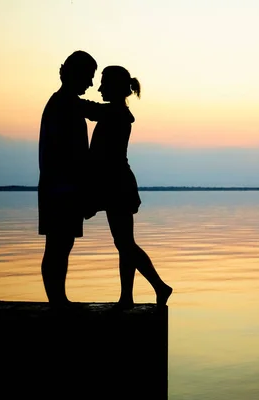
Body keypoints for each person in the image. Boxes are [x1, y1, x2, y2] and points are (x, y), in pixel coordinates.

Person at [86, 65, 172, 307]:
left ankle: (158, 287)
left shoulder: (117, 114)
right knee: (124, 243)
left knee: (125, 243)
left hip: (118, 186)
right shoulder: (116, 112)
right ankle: (129, 296)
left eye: (103, 83)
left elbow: (90, 111)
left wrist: (69, 99)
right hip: (116, 185)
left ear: (114, 86)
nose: (99, 88)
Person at [38, 50, 103, 306]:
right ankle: (57, 300)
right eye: (88, 77)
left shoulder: (67, 103)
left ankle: (58, 298)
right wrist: (119, 109)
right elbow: (95, 112)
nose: (90, 84)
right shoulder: (64, 103)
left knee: (61, 246)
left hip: (63, 189)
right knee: (57, 247)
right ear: (74, 74)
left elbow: (93, 111)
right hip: (61, 190)